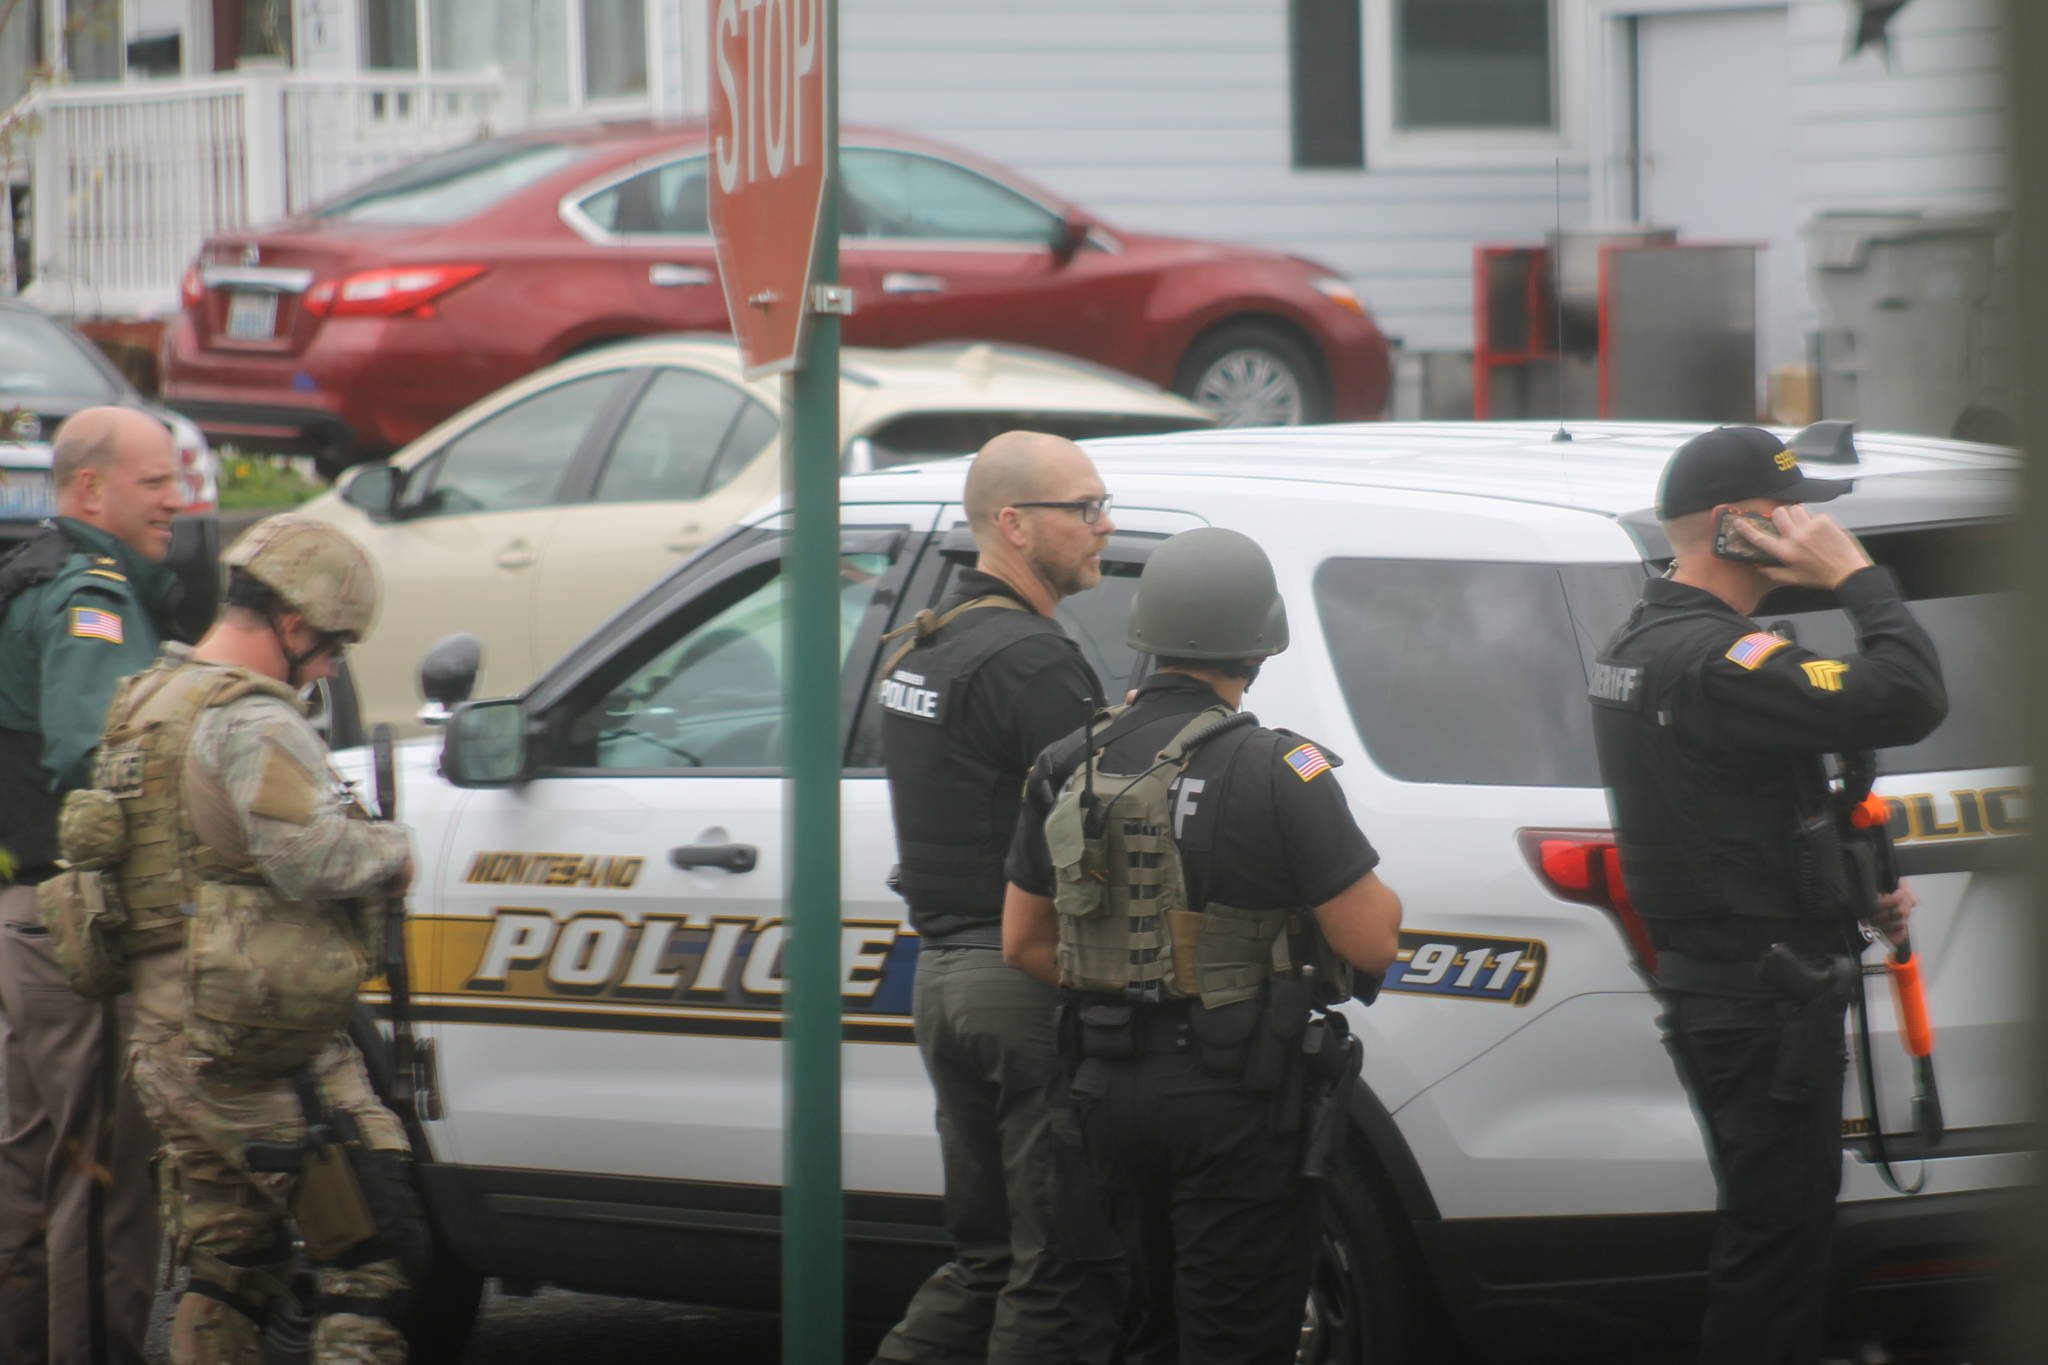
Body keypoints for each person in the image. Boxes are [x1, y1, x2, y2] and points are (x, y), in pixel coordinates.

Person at [1586, 426, 1947, 1365]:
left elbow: (1726, 805)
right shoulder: (1717, 660)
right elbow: (1909, 695)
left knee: (1778, 1235)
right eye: (1788, 510)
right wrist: (1857, 577)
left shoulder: (1647, 633)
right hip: (1762, 1001)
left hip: (1738, 986)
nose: (1810, 524)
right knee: (1776, 1251)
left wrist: (1847, 880)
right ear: (1731, 525)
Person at [1003, 526, 1403, 1365]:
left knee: (1147, 1327)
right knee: (1236, 1333)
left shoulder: (1065, 762)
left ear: (1144, 635)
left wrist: (1129, 988)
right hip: (1235, 1095)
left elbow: (1024, 942)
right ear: (1260, 646)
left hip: (1105, 1088)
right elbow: (1369, 941)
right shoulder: (1279, 767)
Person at [96, 514, 420, 1363]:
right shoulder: (251, 720)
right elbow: (310, 851)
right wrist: (393, 853)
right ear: (296, 623)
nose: (329, 669)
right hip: (258, 1044)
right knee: (370, 1252)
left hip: (169, 1040)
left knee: (230, 1267)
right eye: (333, 649)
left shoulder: (144, 704)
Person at [869, 431, 1127, 1365]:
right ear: (1014, 524)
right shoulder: (1032, 662)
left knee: (987, 1262)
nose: (1107, 525)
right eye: (1086, 508)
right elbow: (1100, 841)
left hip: (945, 980)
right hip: (1023, 982)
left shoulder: (930, 642)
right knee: (1059, 1266)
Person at [0, 406, 185, 1365]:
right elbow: (92, 755)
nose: (177, 499)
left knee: (32, 1175)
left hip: (27, 921)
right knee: (103, 1178)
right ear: (89, 489)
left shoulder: (32, 576)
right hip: (80, 926)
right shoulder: (90, 598)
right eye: (155, 481)